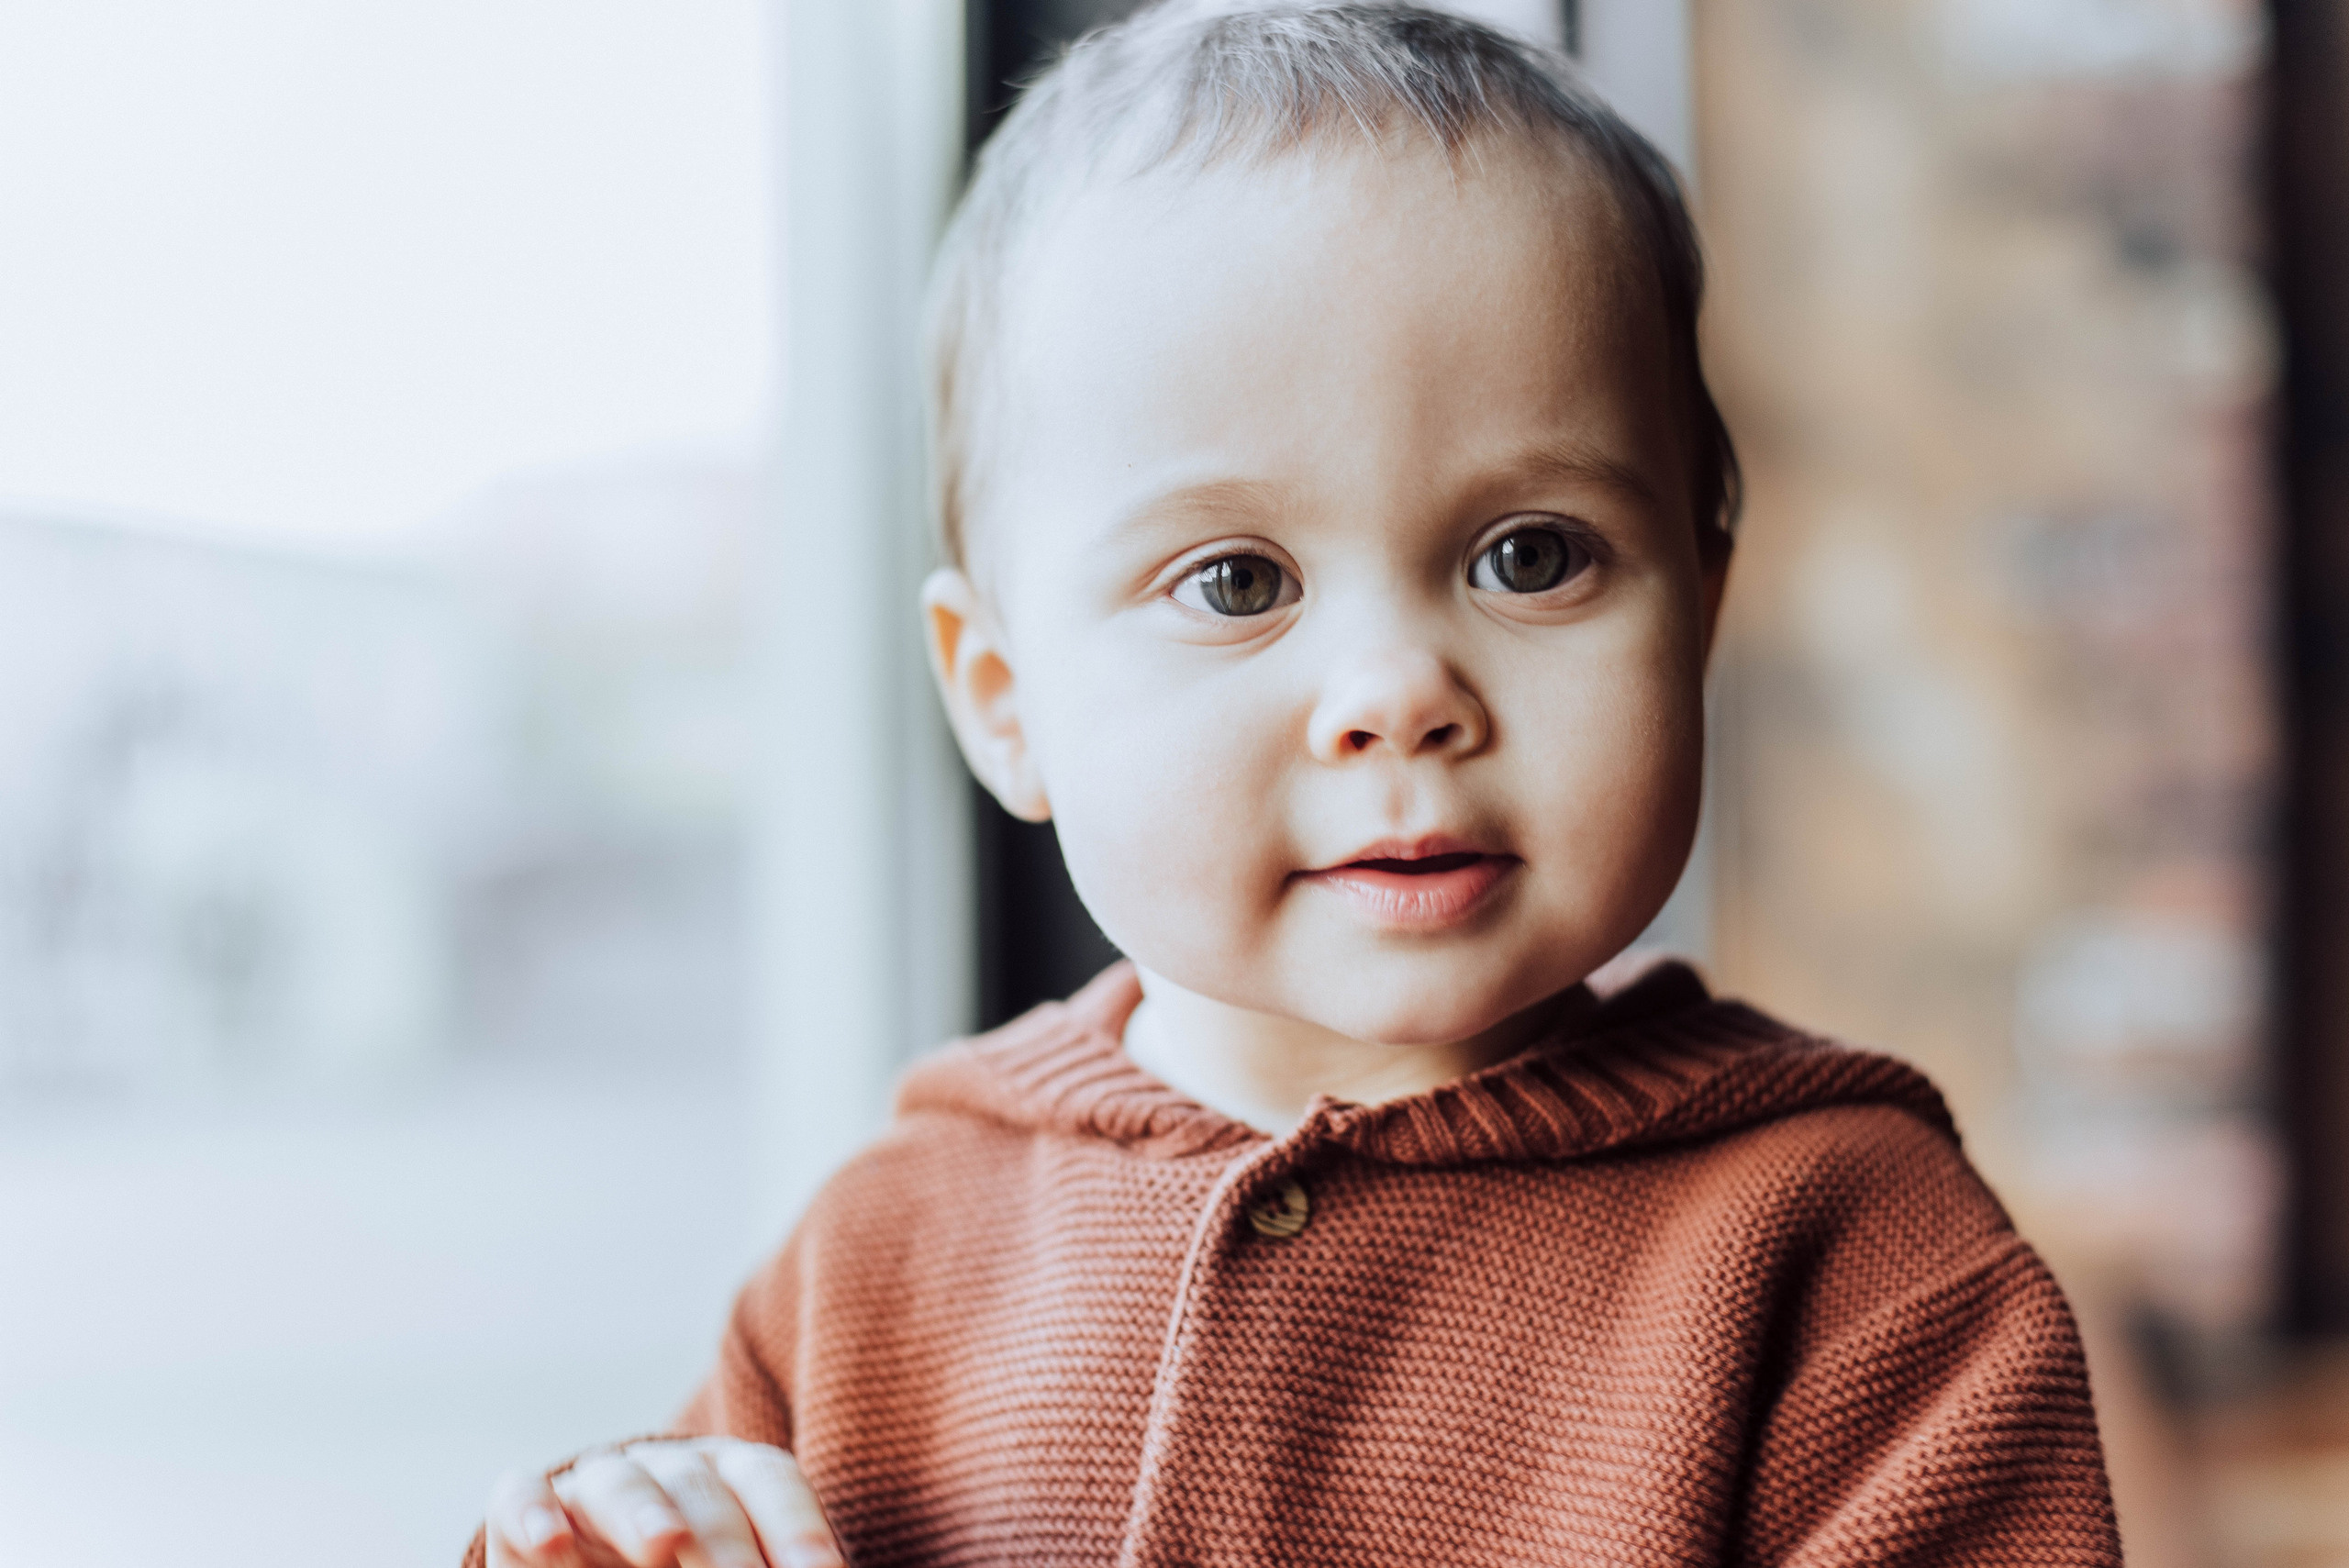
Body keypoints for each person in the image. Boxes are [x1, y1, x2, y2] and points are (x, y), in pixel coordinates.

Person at [475, 4, 2122, 1564]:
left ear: (1699, 611)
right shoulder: (878, 1259)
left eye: (1529, 554)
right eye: (1237, 583)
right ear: (1006, 702)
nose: (1398, 693)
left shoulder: (1854, 1253)